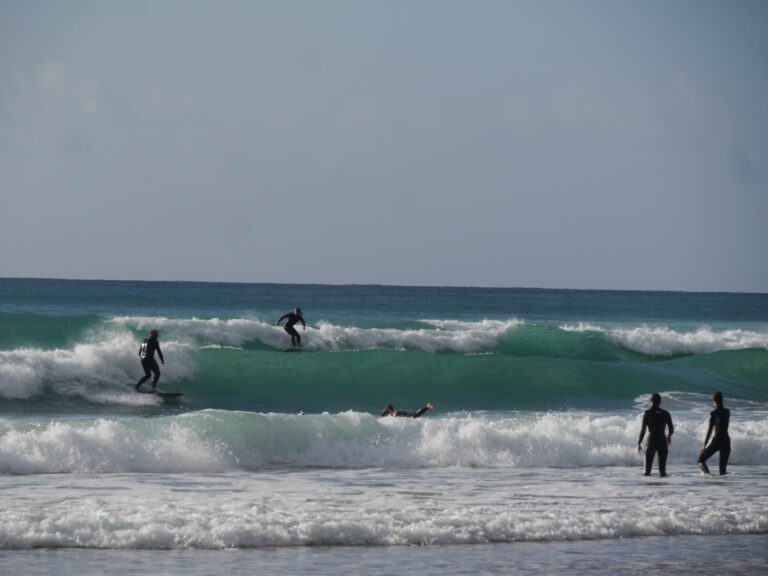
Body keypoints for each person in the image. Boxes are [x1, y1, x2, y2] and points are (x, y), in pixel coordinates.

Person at [637, 393, 674, 477]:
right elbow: (671, 429)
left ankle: (647, 489)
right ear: (660, 401)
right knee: (662, 471)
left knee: (647, 471)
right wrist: (669, 436)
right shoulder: (666, 413)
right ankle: (664, 489)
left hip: (651, 440)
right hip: (662, 440)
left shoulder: (647, 413)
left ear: (651, 401)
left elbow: (643, 430)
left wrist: (639, 443)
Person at [698, 391, 731, 475]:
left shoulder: (714, 413)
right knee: (722, 471)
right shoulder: (727, 412)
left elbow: (710, 430)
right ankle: (725, 487)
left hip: (717, 441)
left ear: (714, 400)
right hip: (726, 441)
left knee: (701, 460)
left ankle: (710, 478)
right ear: (722, 400)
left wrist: (704, 446)